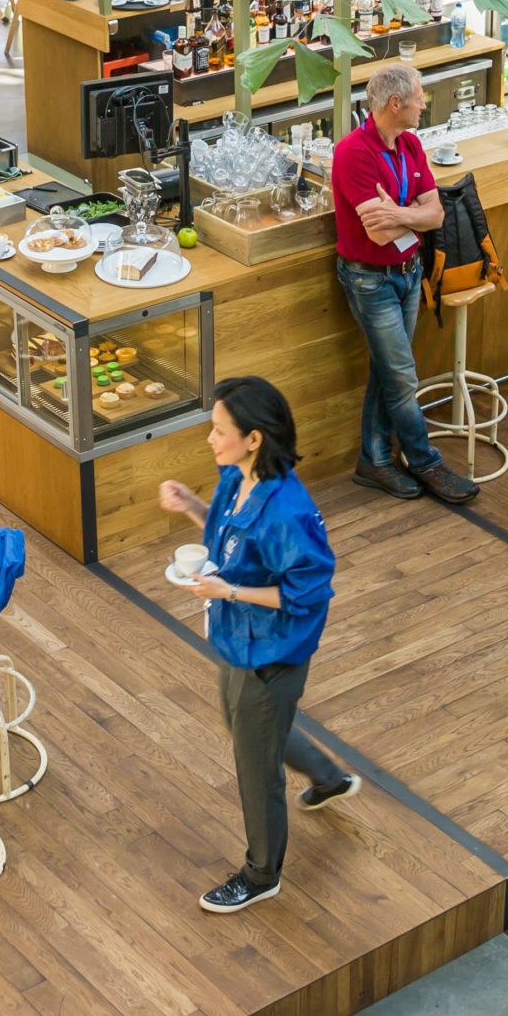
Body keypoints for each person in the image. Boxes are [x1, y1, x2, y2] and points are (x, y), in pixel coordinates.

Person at [157, 377, 355, 914]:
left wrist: (229, 590)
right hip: (237, 639)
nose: (210, 439)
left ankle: (261, 873)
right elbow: (228, 532)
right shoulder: (234, 477)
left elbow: (306, 593)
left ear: (254, 439)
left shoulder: (289, 512)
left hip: (272, 652)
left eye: (219, 430)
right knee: (251, 730)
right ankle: (330, 778)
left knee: (255, 764)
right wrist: (194, 505)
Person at [329, 63, 478, 505]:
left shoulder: (411, 144)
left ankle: (373, 460)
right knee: (401, 376)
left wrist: (399, 213)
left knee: (389, 370)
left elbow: (437, 214)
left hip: (409, 274)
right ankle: (426, 462)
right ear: (396, 104)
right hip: (370, 279)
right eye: (419, 97)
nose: (423, 103)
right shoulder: (353, 153)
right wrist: (409, 214)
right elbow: (377, 233)